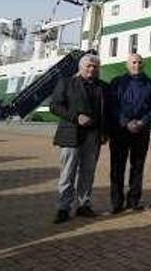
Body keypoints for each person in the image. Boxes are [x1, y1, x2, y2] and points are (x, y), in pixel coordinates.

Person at [50, 54, 109, 223]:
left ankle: (84, 205)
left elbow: (106, 111)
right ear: (80, 67)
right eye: (88, 66)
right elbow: (55, 106)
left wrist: (105, 132)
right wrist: (76, 117)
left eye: (95, 67)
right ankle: (63, 207)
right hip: (71, 134)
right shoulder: (67, 83)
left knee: (88, 172)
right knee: (67, 172)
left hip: (93, 135)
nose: (92, 69)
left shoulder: (103, 87)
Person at [108, 53, 151, 214]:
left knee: (137, 167)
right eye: (133, 62)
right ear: (127, 65)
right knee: (117, 167)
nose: (136, 65)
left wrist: (142, 122)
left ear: (143, 65)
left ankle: (133, 200)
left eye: (139, 62)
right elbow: (112, 105)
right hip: (120, 131)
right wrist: (126, 122)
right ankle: (117, 202)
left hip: (141, 131)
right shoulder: (117, 83)